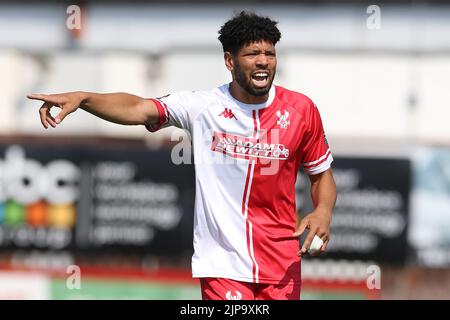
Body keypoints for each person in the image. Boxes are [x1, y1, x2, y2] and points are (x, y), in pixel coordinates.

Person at [27, 11, 337, 300]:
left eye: (269, 54)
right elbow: (138, 108)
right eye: (252, 54)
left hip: (282, 265)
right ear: (230, 61)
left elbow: (321, 176)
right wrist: (83, 98)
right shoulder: (203, 106)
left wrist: (322, 211)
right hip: (222, 264)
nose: (263, 62)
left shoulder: (301, 110)